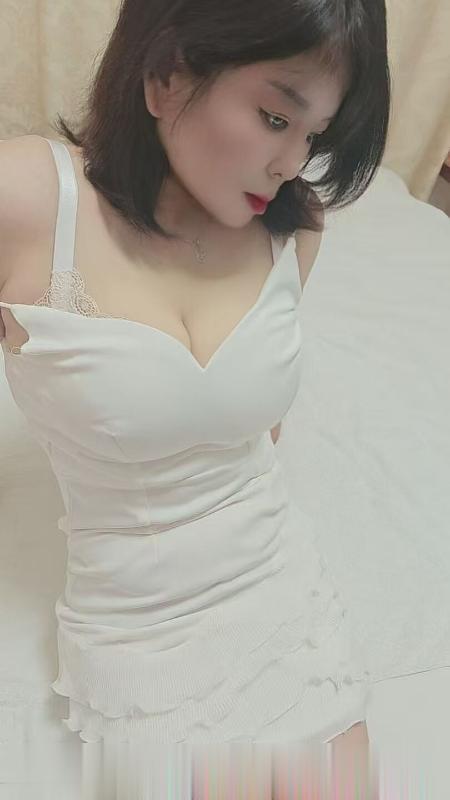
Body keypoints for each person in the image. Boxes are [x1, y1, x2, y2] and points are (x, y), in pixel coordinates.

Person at [0, 0, 390, 794]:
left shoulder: (296, 229)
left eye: (314, 135)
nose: (291, 164)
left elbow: (257, 434)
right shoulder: (30, 199)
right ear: (166, 75)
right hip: (136, 626)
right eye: (275, 117)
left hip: (277, 587)